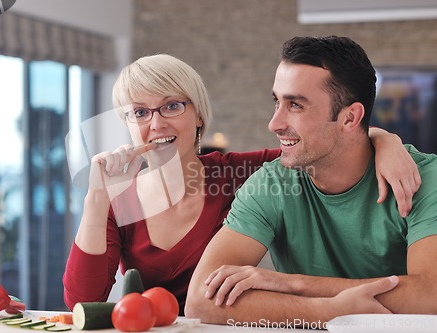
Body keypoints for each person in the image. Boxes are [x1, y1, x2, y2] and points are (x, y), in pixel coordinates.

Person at [63, 53, 421, 314]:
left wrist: (383, 139)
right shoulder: (116, 200)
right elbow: (83, 303)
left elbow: (322, 145)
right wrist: (98, 198)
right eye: (139, 112)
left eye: (172, 106)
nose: (156, 124)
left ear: (199, 114)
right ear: (126, 123)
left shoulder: (239, 174)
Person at [185, 36, 437, 325]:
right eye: (277, 102)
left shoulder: (424, 180)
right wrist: (328, 310)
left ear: (349, 118)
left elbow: (430, 296)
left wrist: (292, 284)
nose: (274, 124)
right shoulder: (271, 185)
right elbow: (201, 301)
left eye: (296, 105)